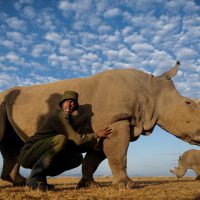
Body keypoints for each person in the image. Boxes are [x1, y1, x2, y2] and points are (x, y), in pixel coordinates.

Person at [19, 90, 112, 191]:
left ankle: (41, 179)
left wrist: (90, 146)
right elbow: (76, 139)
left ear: (75, 106)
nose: (69, 104)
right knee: (60, 140)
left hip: (40, 153)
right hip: (27, 154)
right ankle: (33, 178)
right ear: (62, 103)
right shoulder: (58, 115)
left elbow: (72, 145)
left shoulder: (69, 120)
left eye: (73, 102)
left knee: (77, 158)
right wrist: (96, 135)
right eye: (67, 101)